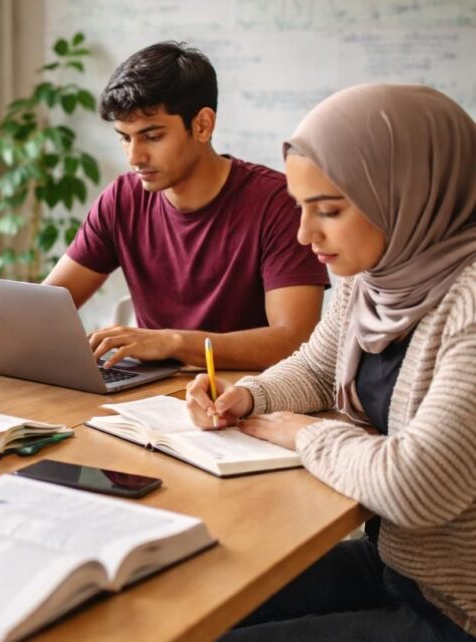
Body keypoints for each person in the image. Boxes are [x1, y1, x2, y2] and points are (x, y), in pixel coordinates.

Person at [186, 84, 476, 640]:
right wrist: (248, 395)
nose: (304, 234)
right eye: (301, 207)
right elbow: (318, 369)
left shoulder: (468, 302)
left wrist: (305, 435)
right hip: (394, 563)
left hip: (456, 605)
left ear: (405, 193)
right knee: (198, 602)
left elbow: (418, 486)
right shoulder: (373, 278)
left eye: (329, 211)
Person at [43, 42, 329, 370]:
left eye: (152, 136)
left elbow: (294, 341)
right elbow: (45, 307)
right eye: (125, 137)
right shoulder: (122, 199)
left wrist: (173, 342)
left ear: (203, 125)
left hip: (245, 392)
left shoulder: (278, 203)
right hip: (150, 393)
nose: (135, 157)